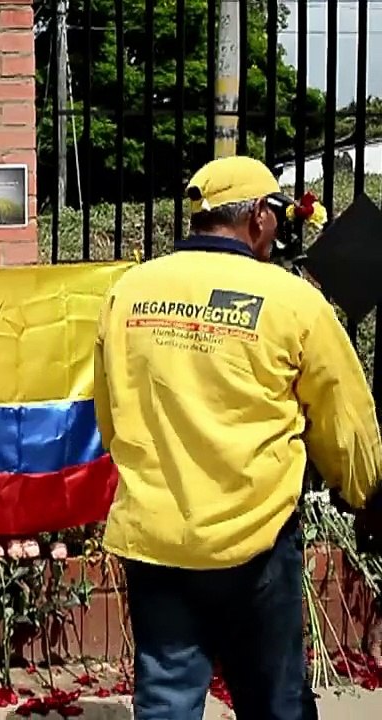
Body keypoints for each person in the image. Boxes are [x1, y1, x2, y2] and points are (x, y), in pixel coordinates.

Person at [93, 155, 382, 719]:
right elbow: (345, 423)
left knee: (166, 701)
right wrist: (366, 496)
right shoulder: (292, 301)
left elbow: (111, 413)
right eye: (276, 210)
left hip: (158, 539)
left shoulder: (128, 293)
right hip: (259, 545)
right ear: (256, 217)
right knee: (274, 700)